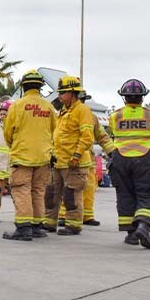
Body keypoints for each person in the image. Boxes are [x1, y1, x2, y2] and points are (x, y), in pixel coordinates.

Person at [1, 70, 57, 241]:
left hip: (23, 156)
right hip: (43, 157)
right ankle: (37, 227)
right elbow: (53, 130)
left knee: (21, 190)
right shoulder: (49, 107)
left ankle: (24, 228)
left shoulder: (17, 106)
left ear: (24, 86)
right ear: (40, 87)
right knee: (38, 191)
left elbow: (8, 132)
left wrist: (16, 146)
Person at [108, 79, 150, 249]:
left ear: (124, 98)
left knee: (125, 194)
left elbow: (113, 133)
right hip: (145, 158)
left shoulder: (114, 116)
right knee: (148, 194)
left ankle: (131, 234)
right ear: (142, 97)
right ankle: (143, 226)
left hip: (120, 159)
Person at [44, 75, 95, 236]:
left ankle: (73, 225)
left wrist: (77, 155)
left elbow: (87, 136)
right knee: (51, 194)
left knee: (72, 195)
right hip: (59, 162)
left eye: (62, 92)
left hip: (74, 163)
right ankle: (49, 223)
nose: (59, 95)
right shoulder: (63, 111)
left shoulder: (82, 110)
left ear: (72, 93)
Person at [55, 92, 115, 228]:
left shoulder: (90, 117)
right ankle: (64, 215)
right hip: (71, 159)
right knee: (69, 189)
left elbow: (102, 136)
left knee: (89, 188)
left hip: (87, 159)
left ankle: (87, 216)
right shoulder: (63, 115)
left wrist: (112, 152)